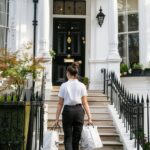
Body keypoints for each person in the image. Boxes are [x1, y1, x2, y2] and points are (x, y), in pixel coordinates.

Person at [54, 62, 92, 150]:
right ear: (76, 74)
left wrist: (56, 119)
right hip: (79, 111)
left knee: (68, 138)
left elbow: (60, 103)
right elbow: (85, 103)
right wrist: (90, 117)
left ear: (68, 73)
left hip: (67, 111)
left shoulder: (64, 85)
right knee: (76, 139)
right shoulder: (82, 85)